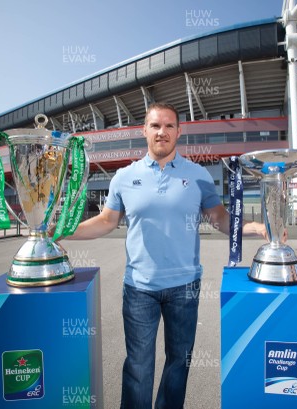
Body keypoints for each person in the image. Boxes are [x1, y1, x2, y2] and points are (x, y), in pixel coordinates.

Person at [64, 102, 268, 409]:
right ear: (144, 130)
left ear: (178, 132)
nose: (162, 132)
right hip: (139, 288)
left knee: (178, 364)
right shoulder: (123, 177)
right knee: (138, 367)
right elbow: (106, 221)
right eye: (156, 126)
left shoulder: (198, 176)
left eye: (169, 126)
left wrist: (258, 227)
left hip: (185, 287)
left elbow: (221, 219)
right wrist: (60, 231)